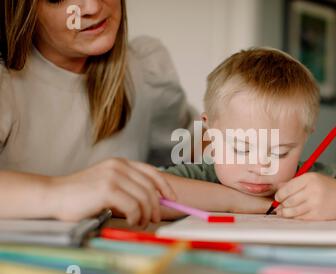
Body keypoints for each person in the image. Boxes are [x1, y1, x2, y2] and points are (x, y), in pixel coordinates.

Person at [0, 0, 270, 226]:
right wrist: (62, 193)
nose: (92, 6)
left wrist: (279, 165)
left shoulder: (144, 71)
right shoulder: (7, 83)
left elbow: (198, 151)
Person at [164, 47, 336, 235]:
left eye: (280, 151)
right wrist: (236, 202)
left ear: (304, 138)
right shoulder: (201, 175)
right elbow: (145, 195)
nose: (259, 165)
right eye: (240, 148)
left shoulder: (316, 183)